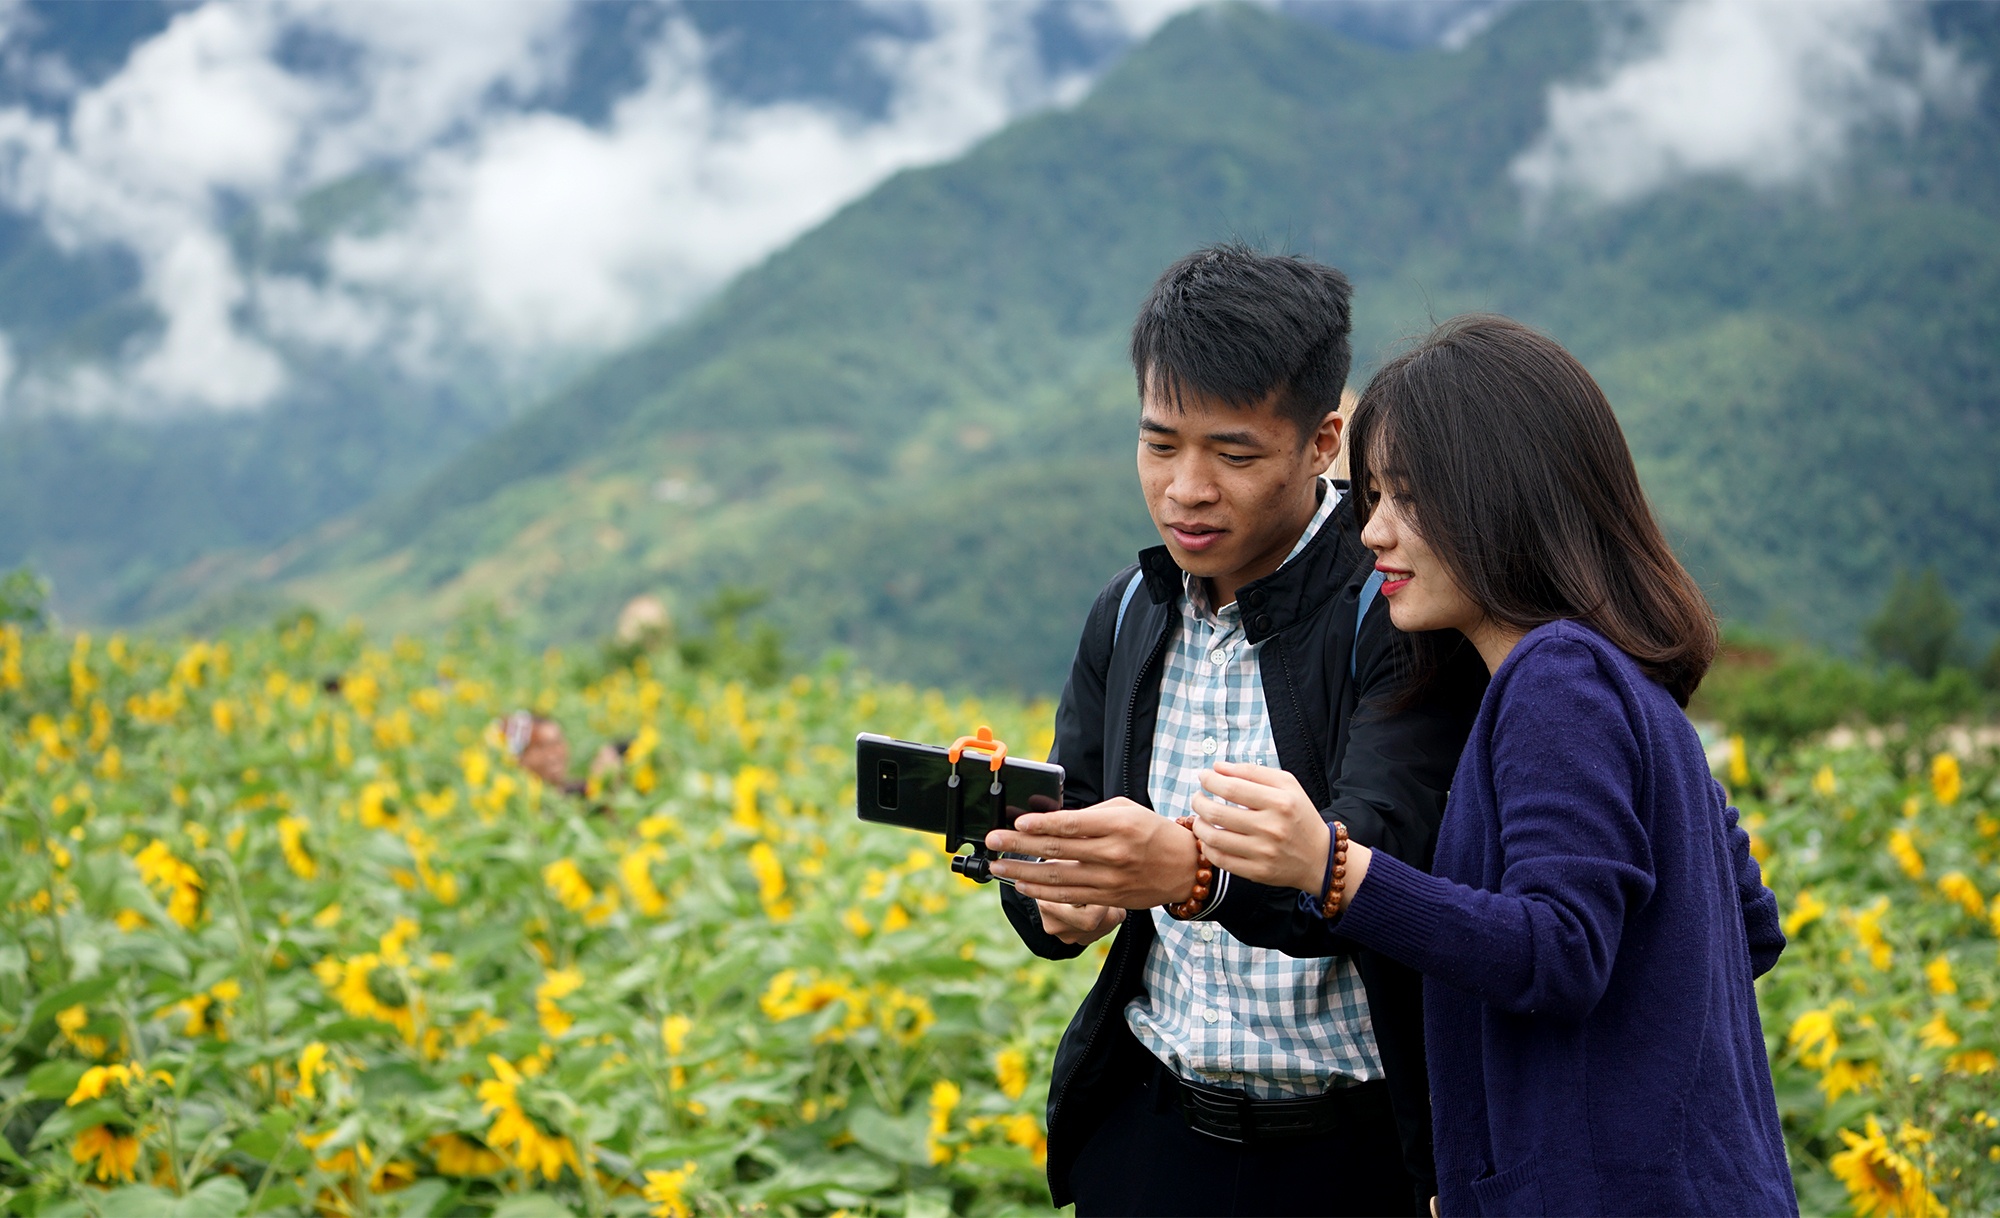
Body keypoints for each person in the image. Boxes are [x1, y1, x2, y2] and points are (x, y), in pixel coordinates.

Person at [1191, 314, 1796, 1216]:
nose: (1373, 533)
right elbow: (1746, 923)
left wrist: (1332, 868)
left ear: (1499, 498)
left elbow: (1560, 952)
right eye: (1370, 499)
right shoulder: (1619, 681)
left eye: (1405, 498)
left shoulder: (1556, 680)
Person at [981, 245, 1487, 1216]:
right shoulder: (1128, 611)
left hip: (1350, 1155)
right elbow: (1073, 812)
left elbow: (1384, 862)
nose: (1185, 489)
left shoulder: (1397, 608)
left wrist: (1191, 876)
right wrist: (1048, 904)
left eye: (1234, 454)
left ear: (1321, 440)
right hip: (1149, 1133)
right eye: (1158, 444)